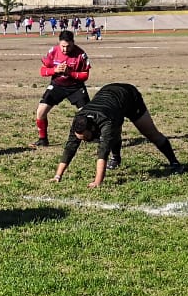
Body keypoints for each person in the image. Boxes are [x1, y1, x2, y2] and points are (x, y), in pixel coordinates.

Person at [52, 83, 180, 187]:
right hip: (109, 98)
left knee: (150, 133)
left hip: (129, 96)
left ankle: (174, 163)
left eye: (86, 138)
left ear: (92, 127)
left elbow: (103, 152)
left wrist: (97, 182)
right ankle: (117, 159)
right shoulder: (79, 121)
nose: (85, 141)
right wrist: (58, 176)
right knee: (114, 130)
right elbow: (70, 148)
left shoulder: (106, 122)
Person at [34, 30, 92, 146]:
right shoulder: (53, 51)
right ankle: (43, 139)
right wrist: (55, 70)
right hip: (57, 85)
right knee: (40, 112)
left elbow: (85, 75)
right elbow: (42, 71)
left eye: (68, 46)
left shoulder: (81, 54)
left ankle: (93, 137)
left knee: (88, 114)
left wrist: (70, 73)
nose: (65, 49)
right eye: (63, 46)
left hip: (75, 87)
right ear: (59, 43)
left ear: (73, 43)